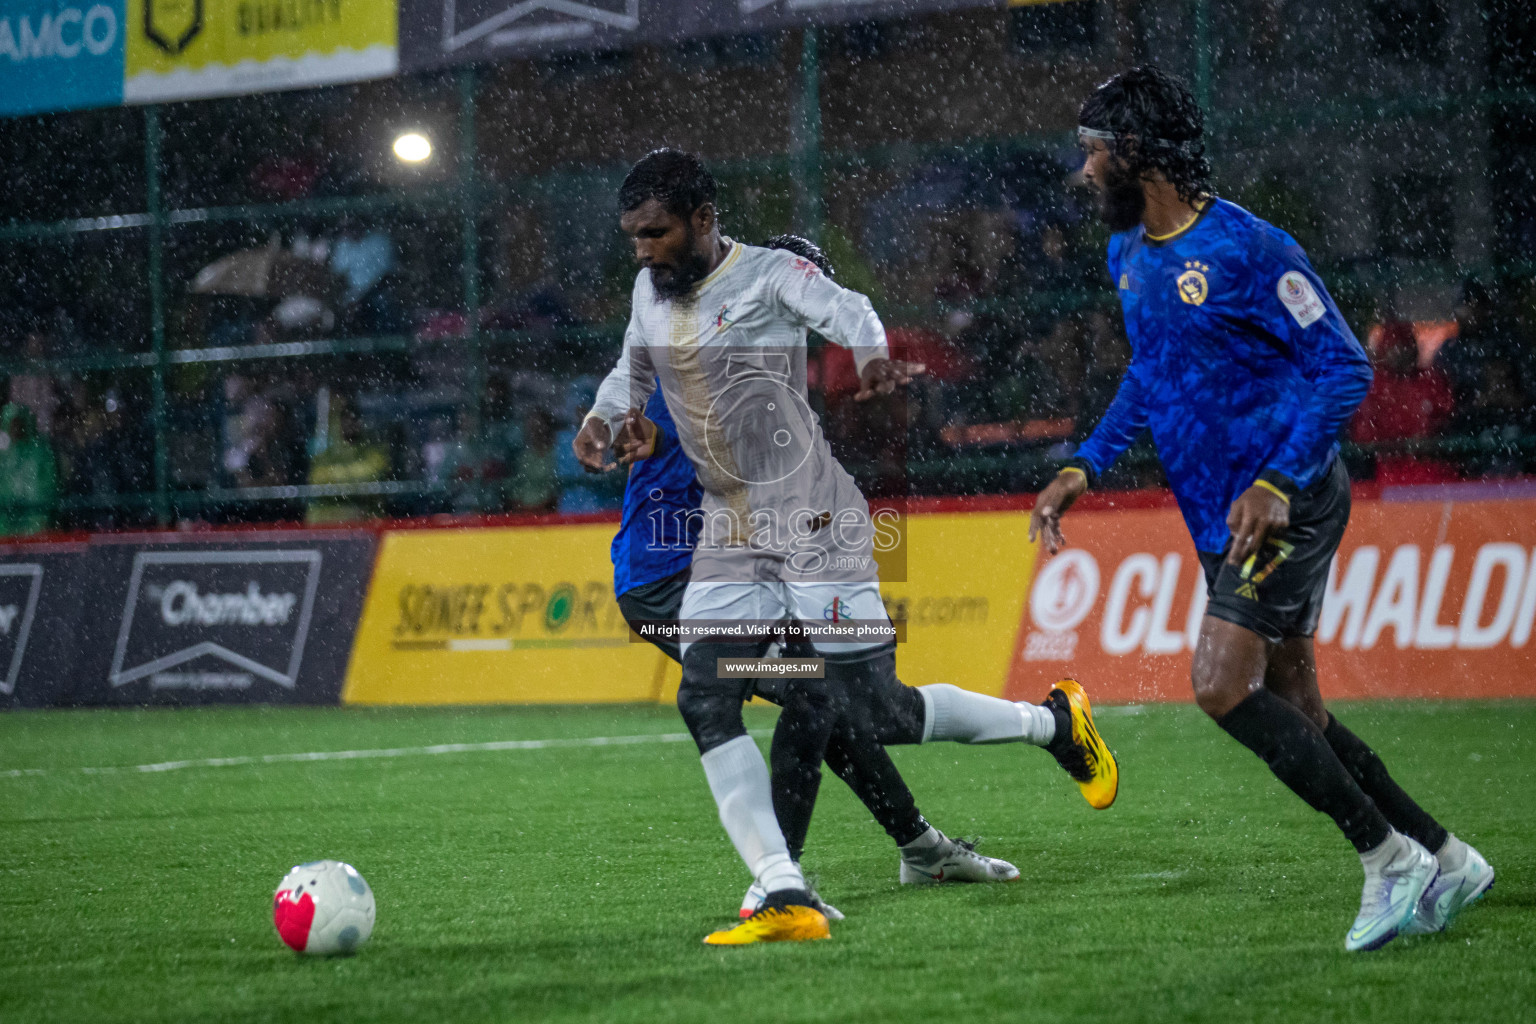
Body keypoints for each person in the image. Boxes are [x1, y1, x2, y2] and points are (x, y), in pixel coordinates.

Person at [574, 151, 1115, 946]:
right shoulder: (659, 298)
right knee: (758, 695)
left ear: (703, 218)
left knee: (859, 705)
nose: (643, 251)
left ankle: (1041, 734)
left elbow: (852, 311)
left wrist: (866, 356)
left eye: (655, 234)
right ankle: (789, 883)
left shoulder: (769, 287)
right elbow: (631, 370)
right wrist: (602, 418)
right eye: (634, 237)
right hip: (684, 570)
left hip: (805, 531)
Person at [1029, 66, 1492, 953]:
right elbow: (1152, 372)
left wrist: (1278, 479)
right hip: (1220, 518)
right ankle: (1444, 854)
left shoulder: (1250, 249)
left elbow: (1344, 368)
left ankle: (1386, 860)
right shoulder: (1128, 251)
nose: (1081, 172)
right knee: (1299, 710)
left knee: (1218, 686)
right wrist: (1087, 463)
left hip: (1288, 505)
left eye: (1092, 153)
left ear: (1136, 155)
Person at [0, 403, 57, 536]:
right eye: (12, 424)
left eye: (19, 424)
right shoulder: (4, 457)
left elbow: (48, 487)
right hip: (7, 526)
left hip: (34, 522)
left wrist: (43, 517)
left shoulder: (40, 452)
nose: (16, 429)